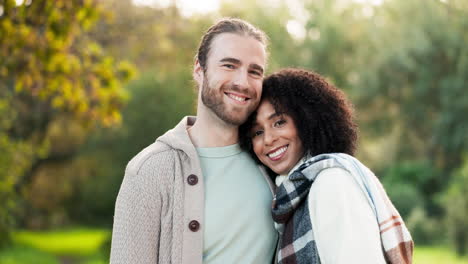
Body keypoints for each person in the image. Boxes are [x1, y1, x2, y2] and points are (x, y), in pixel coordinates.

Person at [110, 18, 278, 264]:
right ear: (199, 70)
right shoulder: (150, 170)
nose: (243, 82)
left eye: (254, 71)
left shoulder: (271, 162)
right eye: (229, 65)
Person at [239, 68, 414, 264]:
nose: (269, 139)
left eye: (279, 122)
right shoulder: (292, 197)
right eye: (257, 132)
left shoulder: (331, 183)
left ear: (307, 120)